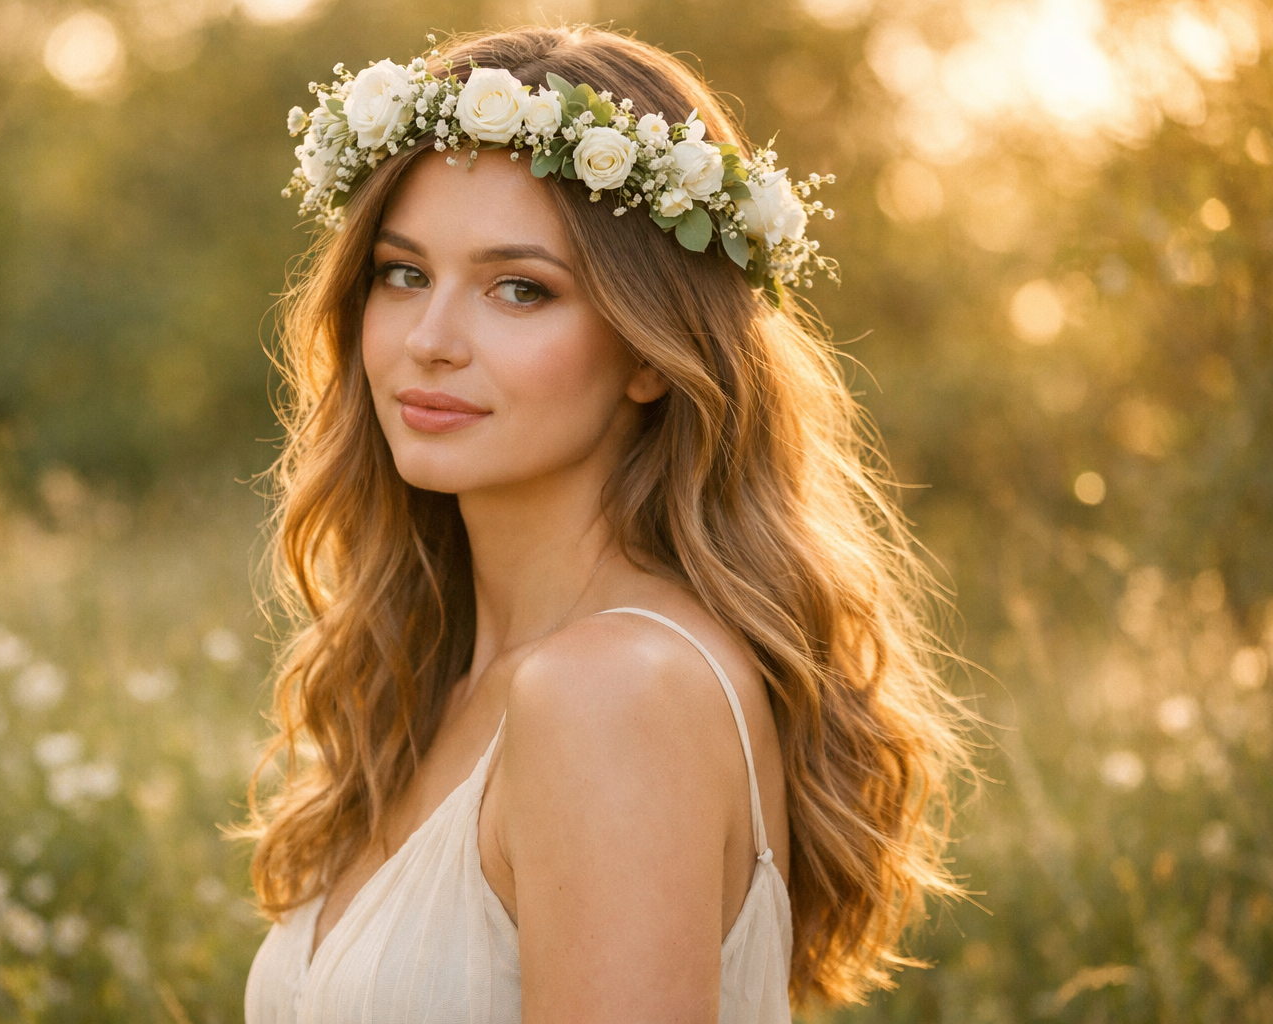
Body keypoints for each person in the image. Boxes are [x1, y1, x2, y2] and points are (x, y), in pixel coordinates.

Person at [240, 24, 968, 1023]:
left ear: (648, 353)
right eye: (403, 273)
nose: (430, 338)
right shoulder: (441, 679)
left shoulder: (616, 694)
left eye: (520, 289)